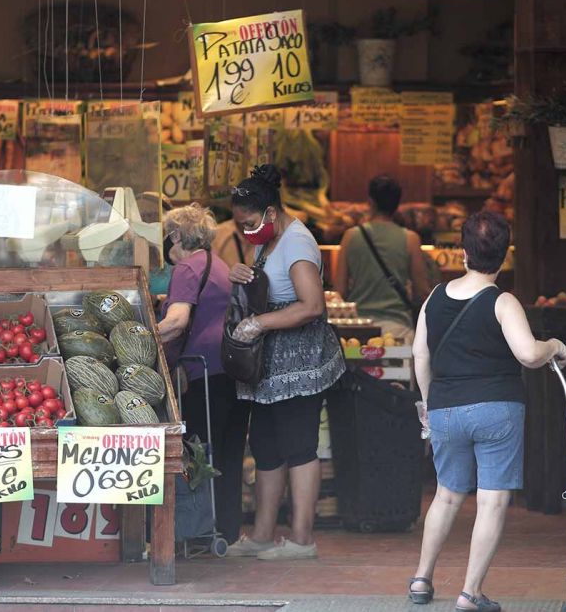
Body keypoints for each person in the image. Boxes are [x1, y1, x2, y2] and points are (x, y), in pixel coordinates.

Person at [408, 212, 566, 612]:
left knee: (446, 497)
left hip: (445, 408)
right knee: (492, 501)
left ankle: (420, 579)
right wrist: (554, 345)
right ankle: (469, 593)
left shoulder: (435, 297)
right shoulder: (503, 301)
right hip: (497, 410)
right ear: (504, 257)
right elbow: (529, 353)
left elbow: (419, 353)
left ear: (462, 253)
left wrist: (431, 405)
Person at [226, 164, 345, 561]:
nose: (246, 230)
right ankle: (261, 534)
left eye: (249, 222)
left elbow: (312, 306)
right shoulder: (269, 240)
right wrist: (245, 274)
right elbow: (270, 285)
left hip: (300, 363)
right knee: (266, 447)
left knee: (299, 447)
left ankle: (301, 539)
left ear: (271, 213)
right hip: (270, 366)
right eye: (240, 224)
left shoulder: (296, 243)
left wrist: (259, 322)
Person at [156, 204, 249, 544]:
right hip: (231, 372)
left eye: (167, 235)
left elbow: (177, 322)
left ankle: (197, 532)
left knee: (198, 453)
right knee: (227, 454)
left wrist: (141, 335)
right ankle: (225, 530)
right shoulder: (218, 264)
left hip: (204, 376)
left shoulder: (187, 268)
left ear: (176, 236)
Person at [335, 175, 431, 343]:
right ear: (397, 205)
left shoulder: (350, 236)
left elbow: (339, 291)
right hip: (398, 330)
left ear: (370, 202)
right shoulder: (410, 239)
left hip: (358, 331)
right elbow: (422, 292)